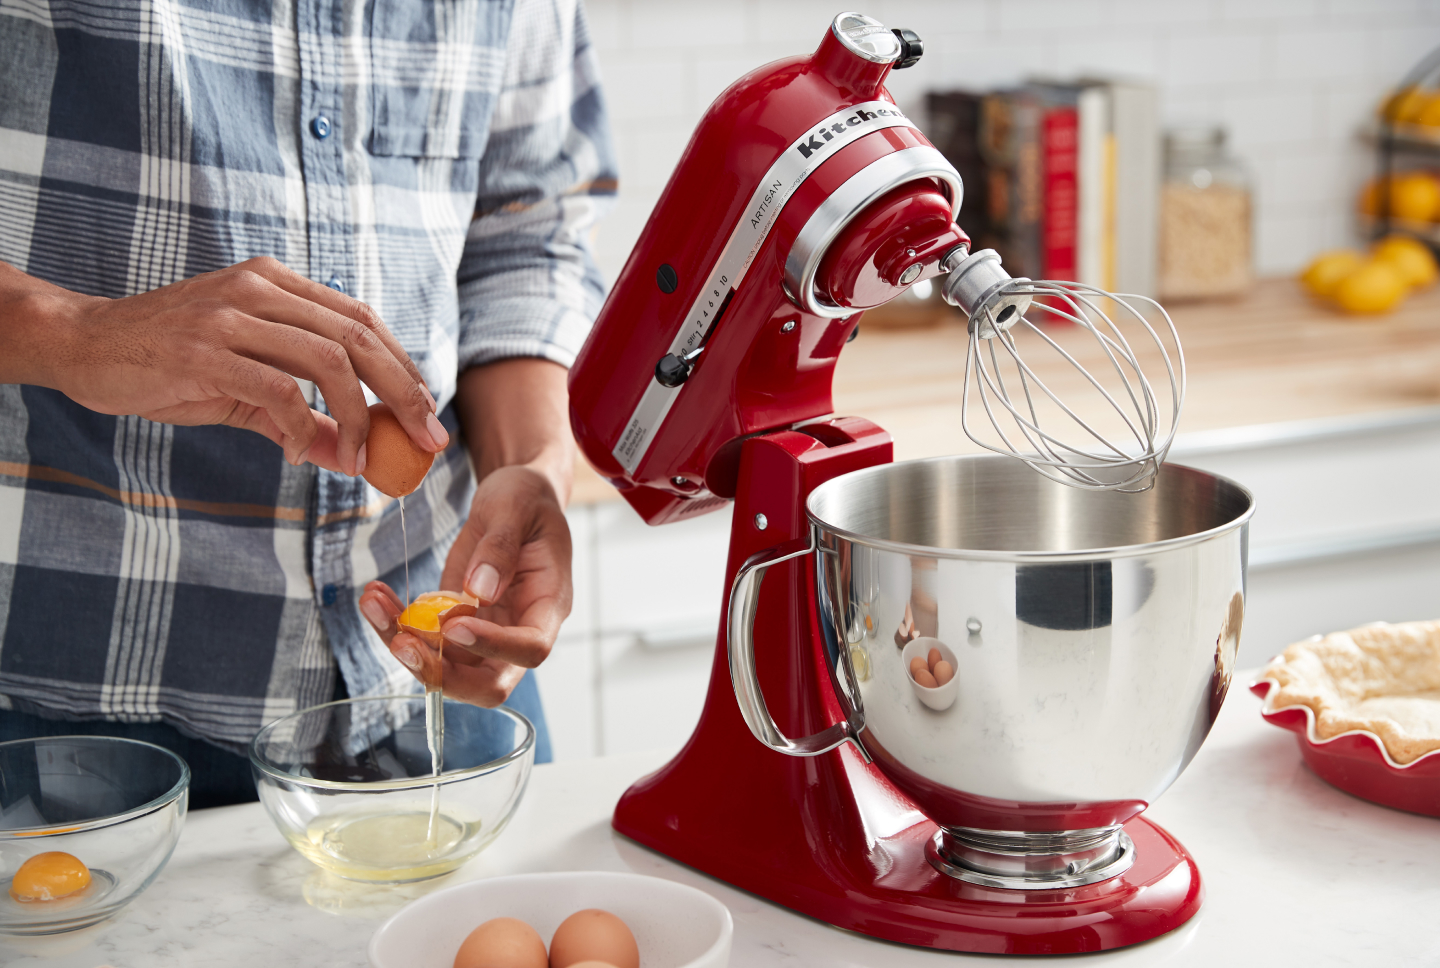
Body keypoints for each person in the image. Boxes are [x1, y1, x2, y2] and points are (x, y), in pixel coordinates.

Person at [0, 0, 615, 807]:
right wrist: (78, 333)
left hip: (437, 669)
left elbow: (524, 241)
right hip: (72, 710)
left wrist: (530, 468)